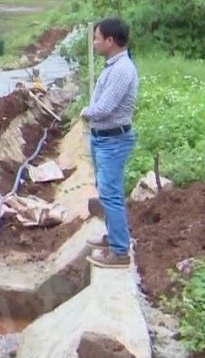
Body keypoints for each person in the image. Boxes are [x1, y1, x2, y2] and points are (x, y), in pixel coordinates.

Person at [81, 17, 139, 268]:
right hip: (104, 139)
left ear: (110, 41)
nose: (94, 43)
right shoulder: (113, 65)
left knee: (111, 194)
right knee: (105, 191)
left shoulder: (122, 70)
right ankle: (112, 237)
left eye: (97, 38)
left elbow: (104, 108)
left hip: (113, 141)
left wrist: (86, 112)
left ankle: (119, 251)